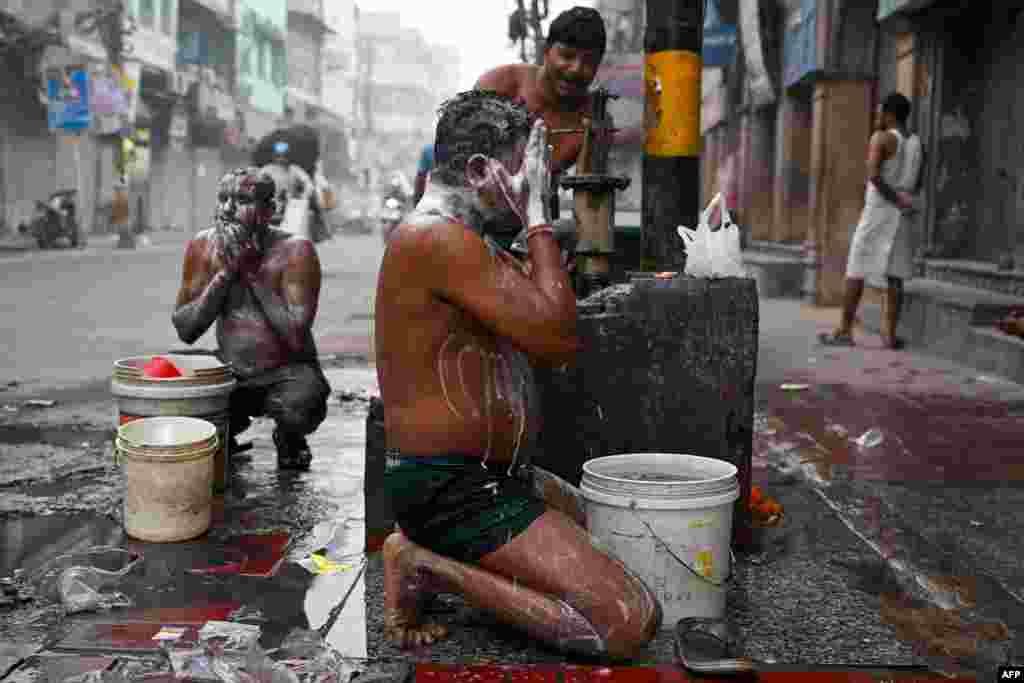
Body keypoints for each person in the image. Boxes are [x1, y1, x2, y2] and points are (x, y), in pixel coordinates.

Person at [374, 90, 661, 658]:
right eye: (527, 170)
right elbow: (556, 339)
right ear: (481, 171)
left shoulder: (469, 238)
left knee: (627, 531)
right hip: (451, 489)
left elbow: (545, 313)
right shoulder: (433, 238)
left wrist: (531, 238)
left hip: (496, 476)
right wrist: (536, 220)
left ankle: (445, 558)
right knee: (628, 621)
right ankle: (424, 565)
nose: (539, 183)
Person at [172, 167, 330, 469]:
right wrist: (226, 273)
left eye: (242, 200)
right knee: (169, 381)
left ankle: (290, 437)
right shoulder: (203, 245)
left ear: (269, 210)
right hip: (231, 371)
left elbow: (295, 334)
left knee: (300, 404)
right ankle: (224, 432)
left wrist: (248, 271)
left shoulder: (296, 250)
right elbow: (186, 329)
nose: (228, 209)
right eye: (223, 199)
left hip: (285, 371)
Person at [819, 93, 925, 350]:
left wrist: (895, 200)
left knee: (856, 267)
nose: (877, 117)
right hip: (902, 215)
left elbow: (874, 177)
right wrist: (903, 200)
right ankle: (889, 336)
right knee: (895, 274)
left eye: (880, 112)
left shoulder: (881, 138)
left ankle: (844, 330)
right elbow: (918, 182)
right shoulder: (917, 144)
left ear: (890, 114)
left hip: (879, 211)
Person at [475, 6, 607, 176]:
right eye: (567, 56)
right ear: (546, 49)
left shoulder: (594, 120)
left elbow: (590, 195)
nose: (576, 69)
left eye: (589, 62)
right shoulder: (497, 86)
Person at [412, 141, 434, 207]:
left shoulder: (429, 150)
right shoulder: (428, 150)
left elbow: (420, 178)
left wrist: (416, 202)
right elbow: (420, 178)